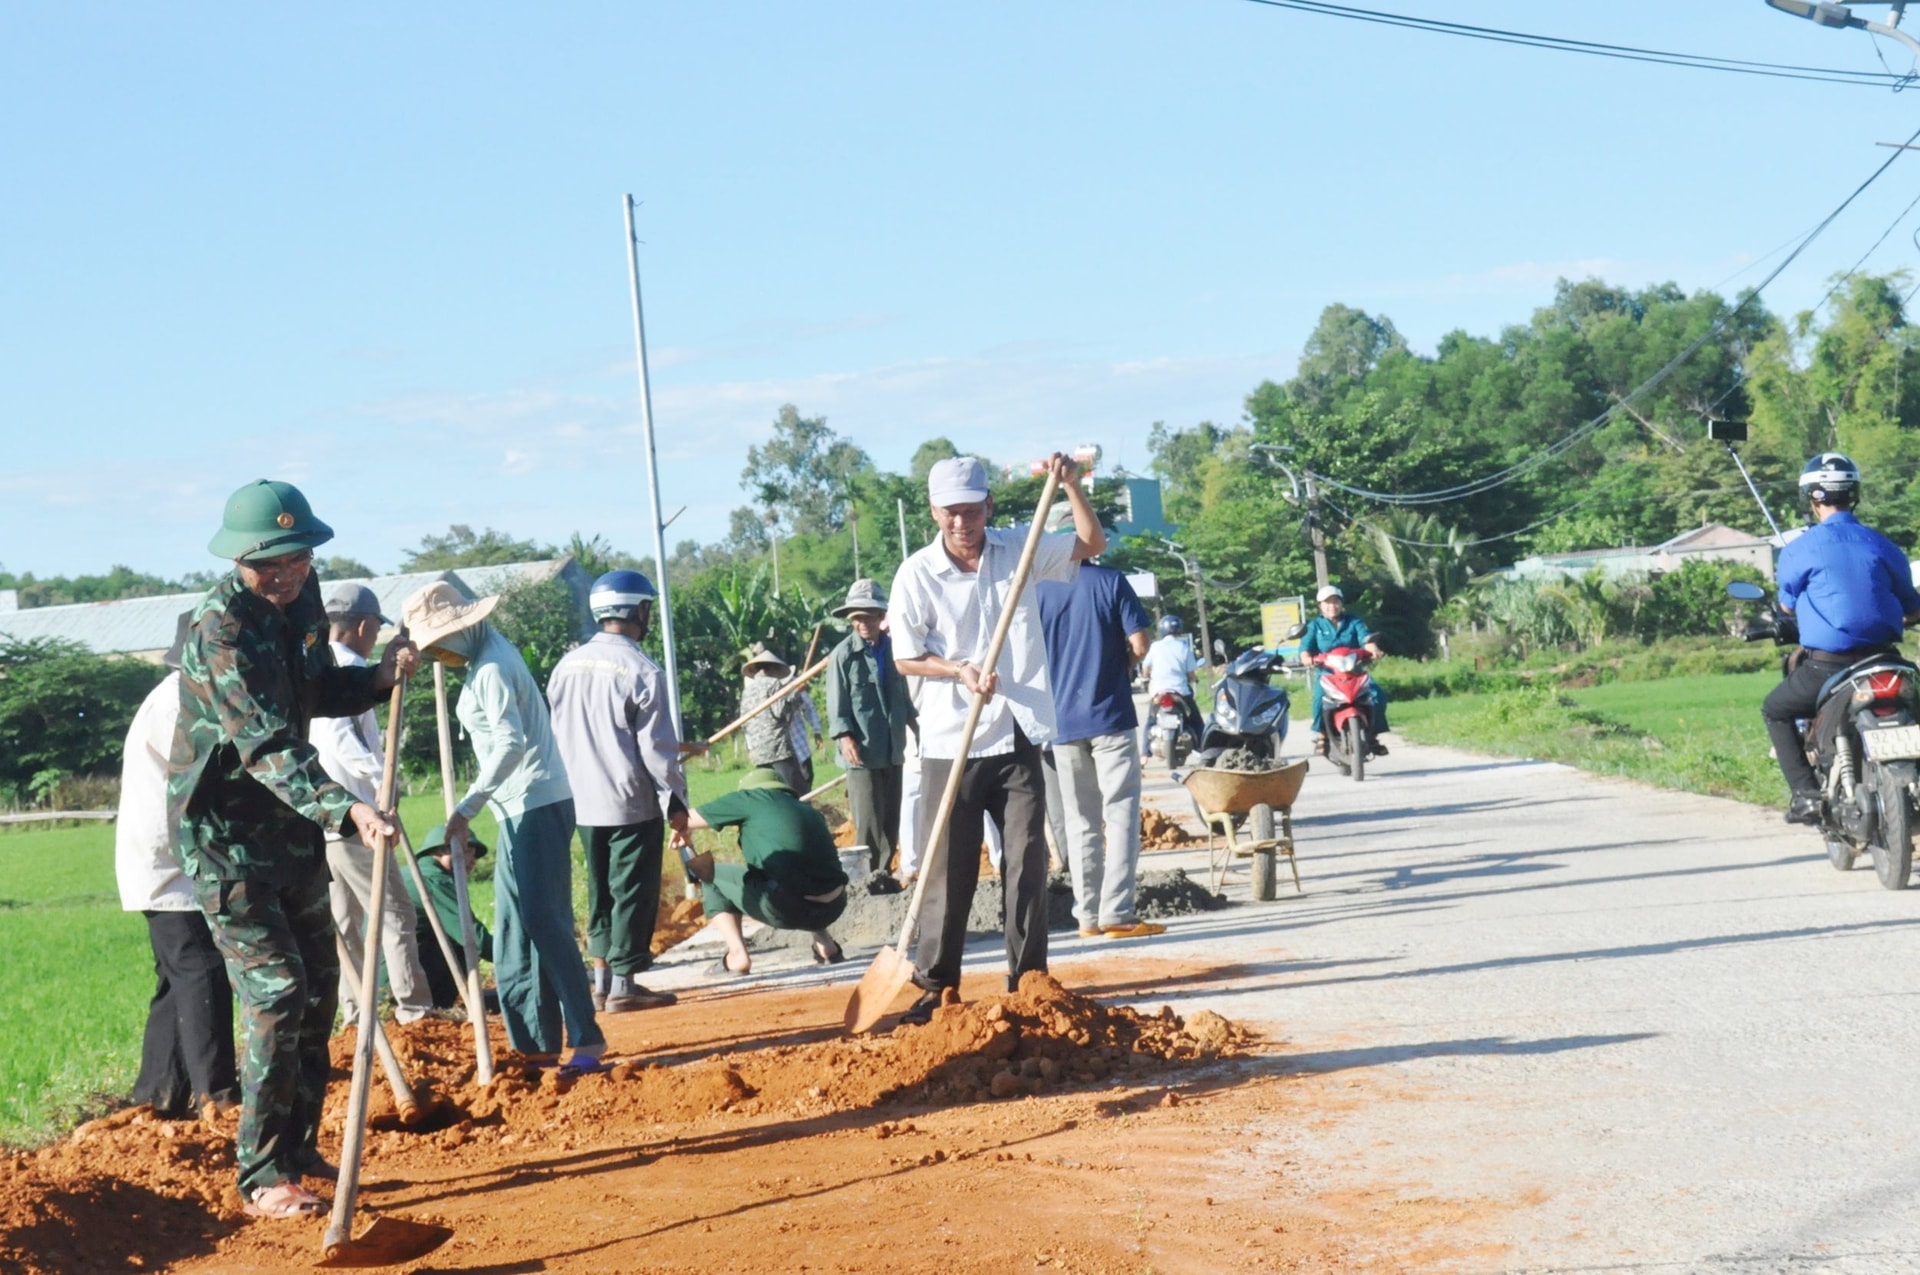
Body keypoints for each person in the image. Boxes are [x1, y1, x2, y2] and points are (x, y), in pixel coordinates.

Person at [168, 479, 416, 1220]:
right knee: (276, 994)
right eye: (269, 564)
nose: (286, 576)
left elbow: (314, 691)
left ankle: (300, 1150)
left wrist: (377, 677)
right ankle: (261, 1172)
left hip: (289, 829)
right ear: (240, 558)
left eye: (299, 560)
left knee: (319, 989)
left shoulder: (303, 604)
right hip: (227, 839)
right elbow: (268, 745)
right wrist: (347, 807)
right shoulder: (221, 631)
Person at [889, 453, 1105, 1025]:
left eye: (971, 511)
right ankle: (937, 984)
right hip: (948, 739)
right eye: (950, 513)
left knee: (1026, 860)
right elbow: (906, 657)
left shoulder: (1021, 545)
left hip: (1017, 730)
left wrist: (1072, 486)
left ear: (989, 506)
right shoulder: (916, 573)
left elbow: (1091, 543)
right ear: (935, 512)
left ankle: (1028, 979)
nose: (962, 523)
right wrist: (957, 669)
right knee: (948, 868)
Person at [402, 580, 604, 1066]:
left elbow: (510, 744)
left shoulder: (491, 666)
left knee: (544, 921)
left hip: (534, 803)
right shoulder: (484, 657)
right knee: (517, 929)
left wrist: (468, 805)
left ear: (463, 627)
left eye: (438, 643)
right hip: (517, 808)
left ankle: (586, 1036)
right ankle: (534, 1044)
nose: (437, 655)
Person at [546, 568, 688, 1014]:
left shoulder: (566, 665)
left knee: (600, 888)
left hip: (579, 801)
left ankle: (602, 982)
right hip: (629, 800)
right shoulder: (642, 670)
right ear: (636, 611)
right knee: (632, 890)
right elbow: (658, 751)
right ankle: (626, 984)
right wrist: (677, 804)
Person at [117, 612, 239, 1124]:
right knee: (202, 969)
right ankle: (217, 1096)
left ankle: (157, 1091)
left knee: (176, 978)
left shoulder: (180, 696)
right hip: (172, 864)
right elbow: (191, 789)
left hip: (167, 859)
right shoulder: (177, 703)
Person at [1764, 453, 1920, 824]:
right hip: (1886, 660)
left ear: (1813, 499)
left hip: (1828, 667)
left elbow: (1786, 608)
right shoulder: (1883, 545)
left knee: (1776, 710)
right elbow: (1912, 609)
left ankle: (1804, 795)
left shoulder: (1798, 550)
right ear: (1854, 494)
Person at [311, 581, 434, 1025]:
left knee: (344, 924)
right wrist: (383, 779)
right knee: (395, 911)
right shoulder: (348, 672)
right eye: (373, 629)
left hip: (323, 819)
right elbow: (340, 740)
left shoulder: (316, 668)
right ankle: (414, 1010)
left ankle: (355, 1014)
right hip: (355, 819)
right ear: (363, 626)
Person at [1037, 553, 1161, 940]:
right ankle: (1117, 912)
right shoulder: (1110, 581)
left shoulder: (1038, 591)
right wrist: (1118, 663)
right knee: (1120, 813)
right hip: (1110, 716)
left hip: (1061, 723)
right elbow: (1140, 644)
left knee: (1080, 821)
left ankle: (1086, 916)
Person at [674, 768, 849, 974]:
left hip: (787, 909)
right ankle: (826, 945)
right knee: (802, 871)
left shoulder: (752, 798)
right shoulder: (807, 810)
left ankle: (737, 956)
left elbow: (684, 819)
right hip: (835, 905)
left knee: (708, 872)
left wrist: (678, 828)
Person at [824, 579, 916, 881]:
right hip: (862, 749)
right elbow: (836, 705)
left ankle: (885, 873)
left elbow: (903, 695)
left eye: (870, 615)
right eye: (858, 617)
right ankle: (866, 877)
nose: (864, 622)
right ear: (851, 620)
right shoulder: (843, 655)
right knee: (867, 818)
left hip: (892, 747)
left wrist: (916, 724)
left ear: (881, 617)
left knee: (892, 815)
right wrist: (845, 736)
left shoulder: (894, 650)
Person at [400, 823, 496, 1013]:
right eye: (468, 850)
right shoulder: (435, 879)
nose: (474, 860)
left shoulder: (411, 872)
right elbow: (472, 937)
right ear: (444, 849)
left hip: (388, 976)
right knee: (461, 946)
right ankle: (438, 1007)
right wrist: (518, 957)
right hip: (403, 979)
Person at [1300, 584, 1388, 757]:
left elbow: (1366, 639)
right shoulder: (1315, 626)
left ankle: (1373, 736)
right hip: (1328, 673)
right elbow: (1305, 648)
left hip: (1354, 671)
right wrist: (1306, 658)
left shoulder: (1353, 621)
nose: (1332, 606)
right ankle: (1322, 735)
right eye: (1327, 602)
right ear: (1320, 606)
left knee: (1378, 695)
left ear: (1341, 604)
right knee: (1319, 699)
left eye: (1335, 602)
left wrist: (1373, 649)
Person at [739, 645, 808, 794]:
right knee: (797, 790)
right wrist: (796, 694)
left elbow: (744, 723)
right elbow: (780, 711)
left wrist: (751, 748)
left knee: (772, 790)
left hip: (759, 751)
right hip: (777, 748)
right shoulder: (773, 684)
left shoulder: (747, 691)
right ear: (772, 669)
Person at [1138, 614, 1202, 762]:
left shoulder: (1154, 647)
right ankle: (1203, 751)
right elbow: (1191, 674)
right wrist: (1193, 679)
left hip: (1158, 692)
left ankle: (1144, 755)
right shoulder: (1184, 648)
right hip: (1180, 691)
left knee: (1150, 721)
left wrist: (1146, 677)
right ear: (1178, 629)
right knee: (1196, 721)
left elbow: (1146, 668)